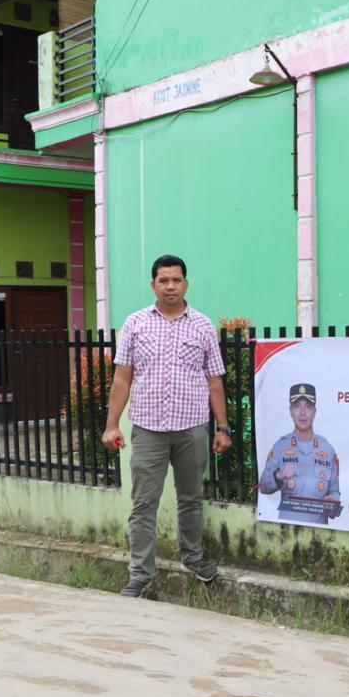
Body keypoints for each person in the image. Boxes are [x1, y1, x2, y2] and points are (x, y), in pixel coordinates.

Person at [102, 255, 232, 598]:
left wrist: (223, 427)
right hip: (147, 429)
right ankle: (140, 575)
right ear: (153, 285)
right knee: (144, 503)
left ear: (185, 283)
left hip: (192, 429)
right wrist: (112, 424)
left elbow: (214, 382)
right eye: (163, 280)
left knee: (191, 497)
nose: (170, 286)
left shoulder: (202, 326)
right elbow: (121, 378)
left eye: (176, 280)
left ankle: (193, 557)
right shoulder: (135, 324)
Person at [259, 383, 341, 524]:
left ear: (314, 411)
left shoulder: (328, 450)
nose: (302, 412)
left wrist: (333, 502)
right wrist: (278, 476)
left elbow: (335, 492)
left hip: (319, 530)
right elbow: (263, 487)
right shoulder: (280, 447)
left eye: (308, 407)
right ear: (290, 410)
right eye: (297, 406)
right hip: (287, 530)